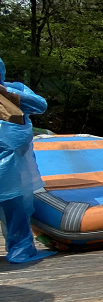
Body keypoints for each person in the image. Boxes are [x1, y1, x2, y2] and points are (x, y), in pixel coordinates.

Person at [0, 56, 55, 263]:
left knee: (16, 209)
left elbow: (40, 105)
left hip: (13, 168)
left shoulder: (14, 88)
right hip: (12, 166)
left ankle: (21, 250)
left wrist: (6, 92)